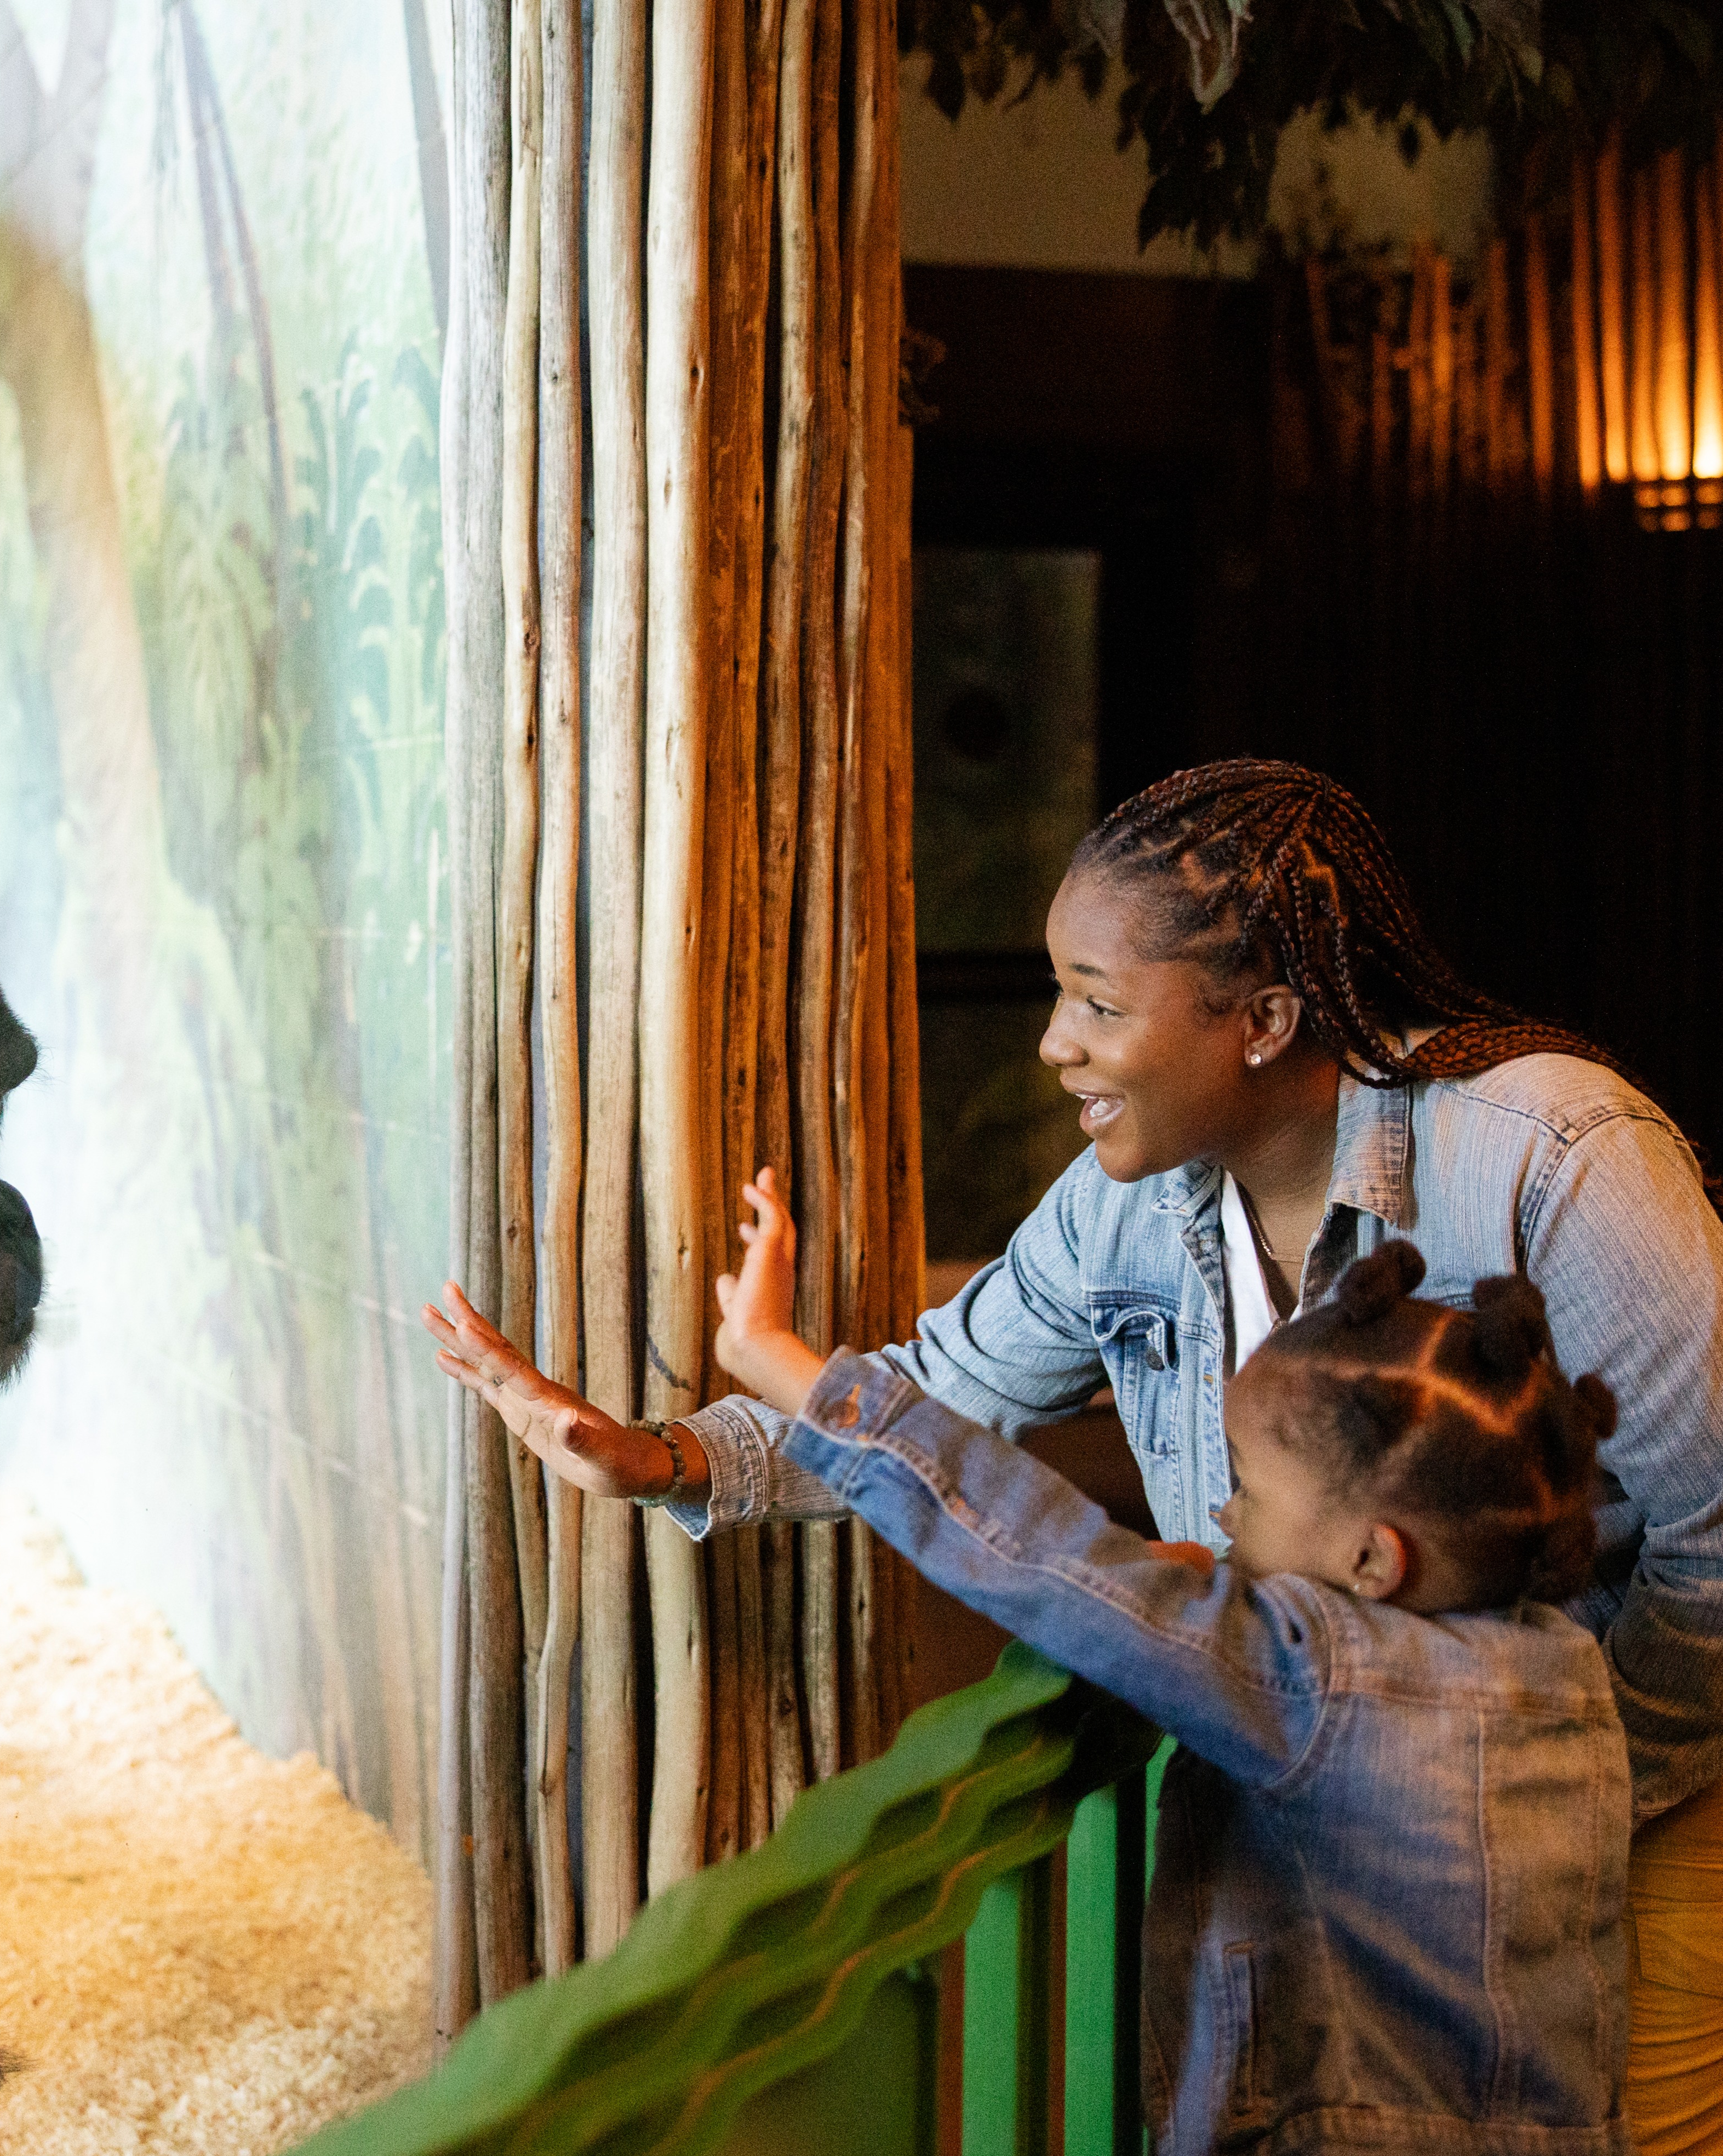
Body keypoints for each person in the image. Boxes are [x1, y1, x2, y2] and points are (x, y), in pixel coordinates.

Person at [425, 759, 1723, 2150]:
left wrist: (1527, 1801)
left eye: (1099, 1002)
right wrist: (663, 1460)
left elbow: (1717, 1549)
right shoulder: (1128, 1205)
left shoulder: (1560, 1156)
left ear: (1267, 1020)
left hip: (1628, 1820)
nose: (1055, 1043)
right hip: (1329, 1841)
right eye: (1058, 992)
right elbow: (941, 1391)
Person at [444, 1219, 1630, 2155]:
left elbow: (1055, 1562)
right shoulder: (1566, 1672)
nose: (1222, 1514)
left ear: (1375, 1563)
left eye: (1253, 1500)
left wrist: (805, 1381)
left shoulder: (1319, 1679)